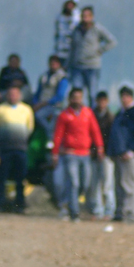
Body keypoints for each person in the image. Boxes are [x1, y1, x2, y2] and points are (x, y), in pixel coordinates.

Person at [52, 87, 103, 222]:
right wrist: (55, 152)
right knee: (73, 183)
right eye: (75, 97)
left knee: (84, 184)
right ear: (70, 99)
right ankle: (74, 213)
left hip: (85, 154)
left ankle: (69, 204)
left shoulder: (87, 113)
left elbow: (95, 131)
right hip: (71, 154)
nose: (77, 100)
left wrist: (99, 147)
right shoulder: (64, 115)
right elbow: (58, 135)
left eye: (79, 97)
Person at [32, 55, 71, 214]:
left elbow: (59, 96)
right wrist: (35, 103)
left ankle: (51, 138)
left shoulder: (62, 78)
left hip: (53, 106)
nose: (53, 65)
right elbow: (38, 92)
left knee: (42, 117)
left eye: (55, 63)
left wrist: (42, 104)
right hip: (42, 104)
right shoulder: (44, 76)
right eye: (51, 62)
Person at [0, 85, 34, 213]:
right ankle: (0, 204)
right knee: (1, 178)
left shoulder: (26, 110)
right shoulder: (0, 110)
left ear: (19, 96)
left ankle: (19, 205)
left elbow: (29, 128)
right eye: (10, 94)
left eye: (15, 94)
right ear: (7, 95)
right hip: (4, 150)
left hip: (20, 150)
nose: (13, 96)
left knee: (20, 179)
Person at [107, 86, 134, 223]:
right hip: (118, 154)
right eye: (122, 96)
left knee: (130, 186)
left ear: (131, 97)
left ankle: (130, 213)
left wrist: (132, 150)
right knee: (119, 185)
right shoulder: (120, 113)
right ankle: (120, 212)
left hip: (129, 155)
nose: (123, 99)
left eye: (126, 96)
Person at [67, 6, 117, 106]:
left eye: (87, 16)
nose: (85, 18)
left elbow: (112, 41)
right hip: (77, 67)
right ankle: (79, 117)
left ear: (92, 17)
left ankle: (92, 117)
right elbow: (72, 48)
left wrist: (100, 50)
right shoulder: (76, 30)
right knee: (77, 93)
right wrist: (68, 64)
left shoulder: (97, 29)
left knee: (92, 94)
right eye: (83, 16)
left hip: (92, 67)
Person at [88, 91, 116, 220]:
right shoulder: (91, 115)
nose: (102, 103)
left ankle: (109, 210)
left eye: (104, 101)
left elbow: (112, 137)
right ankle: (97, 210)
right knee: (95, 184)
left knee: (107, 184)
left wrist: (106, 151)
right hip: (93, 154)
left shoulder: (110, 117)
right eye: (100, 100)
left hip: (106, 155)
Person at [54, 0, 81, 69]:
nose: (70, 6)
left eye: (72, 4)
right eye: (68, 3)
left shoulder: (78, 17)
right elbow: (56, 35)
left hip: (73, 53)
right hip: (60, 52)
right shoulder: (59, 17)